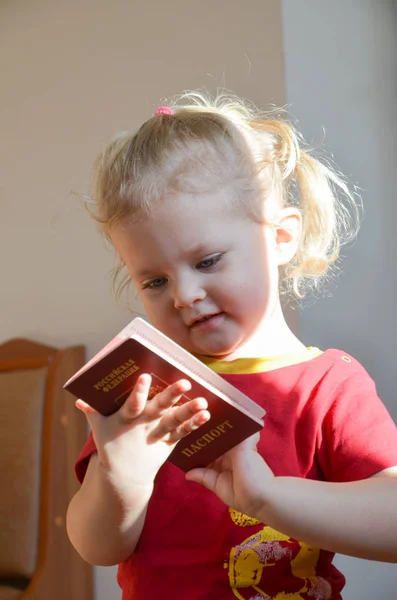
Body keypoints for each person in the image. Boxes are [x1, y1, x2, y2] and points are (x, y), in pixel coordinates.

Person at [66, 91, 397, 600]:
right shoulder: (146, 392)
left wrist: (267, 499)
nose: (183, 295)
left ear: (282, 237)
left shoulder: (328, 385)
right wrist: (119, 471)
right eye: (153, 282)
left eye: (208, 260)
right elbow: (96, 547)